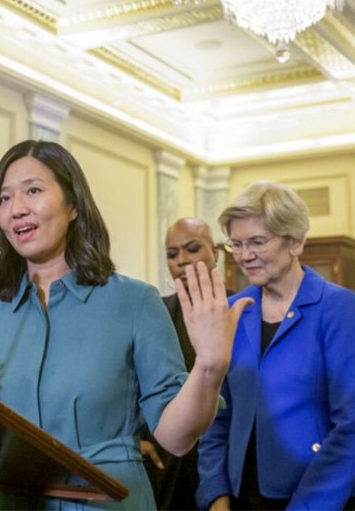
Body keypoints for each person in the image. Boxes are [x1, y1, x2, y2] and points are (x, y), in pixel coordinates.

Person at [0, 140, 250, 509]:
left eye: (33, 191)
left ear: (74, 205)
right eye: (4, 198)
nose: (17, 209)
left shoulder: (134, 303)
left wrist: (209, 367)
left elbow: (175, 438)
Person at [197, 180, 355, 511]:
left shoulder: (337, 307)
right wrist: (215, 493)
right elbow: (216, 413)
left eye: (257, 242)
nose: (244, 256)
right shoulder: (234, 309)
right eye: (236, 244)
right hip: (243, 498)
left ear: (295, 241)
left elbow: (353, 425)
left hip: (325, 498)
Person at [142, 217, 226, 510]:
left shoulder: (239, 310)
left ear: (214, 251)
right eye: (173, 254)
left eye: (192, 249)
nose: (182, 260)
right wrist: (132, 439)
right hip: (165, 461)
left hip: (222, 459)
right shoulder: (156, 312)